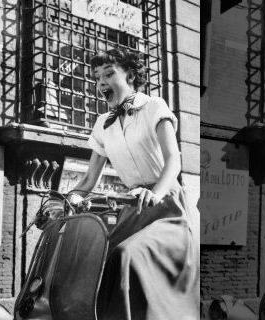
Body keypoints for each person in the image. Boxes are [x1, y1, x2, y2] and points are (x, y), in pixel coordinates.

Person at [67, 48, 200, 320]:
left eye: (108, 74)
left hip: (167, 208)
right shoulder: (103, 123)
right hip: (133, 209)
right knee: (92, 258)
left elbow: (173, 160)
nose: (101, 82)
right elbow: (89, 180)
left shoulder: (154, 106)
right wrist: (64, 200)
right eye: (96, 77)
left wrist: (154, 192)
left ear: (129, 75)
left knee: (125, 255)